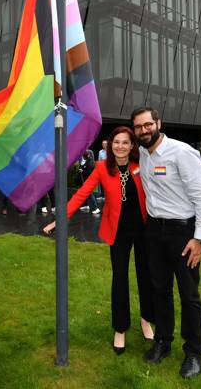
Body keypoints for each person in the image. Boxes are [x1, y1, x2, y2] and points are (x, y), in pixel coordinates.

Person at [43, 126, 154, 354]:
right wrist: (60, 219)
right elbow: (82, 193)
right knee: (120, 279)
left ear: (132, 145)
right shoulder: (103, 167)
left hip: (144, 230)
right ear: (110, 145)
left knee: (147, 277)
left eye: (125, 142)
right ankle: (120, 328)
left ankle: (146, 320)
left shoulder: (142, 164)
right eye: (116, 142)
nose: (120, 146)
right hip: (118, 232)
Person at [131, 107, 201, 379]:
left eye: (147, 125)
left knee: (189, 294)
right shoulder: (142, 152)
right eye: (138, 127)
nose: (143, 130)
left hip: (183, 232)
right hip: (154, 231)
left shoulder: (181, 152)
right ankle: (163, 341)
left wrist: (199, 238)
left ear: (158, 123)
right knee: (160, 290)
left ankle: (193, 352)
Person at [78, 150, 100, 215]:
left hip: (89, 181)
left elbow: (89, 173)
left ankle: (96, 208)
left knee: (90, 194)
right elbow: (83, 167)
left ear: (86, 156)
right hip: (85, 180)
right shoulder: (87, 161)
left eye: (83, 157)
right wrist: (82, 168)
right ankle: (86, 205)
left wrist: (82, 171)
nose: (83, 158)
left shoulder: (90, 163)